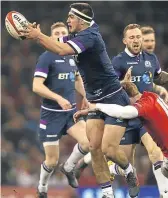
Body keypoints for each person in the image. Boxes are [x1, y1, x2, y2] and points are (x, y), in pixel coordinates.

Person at [21, 3, 139, 198]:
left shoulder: (89, 37)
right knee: (94, 147)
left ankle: (129, 171)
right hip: (95, 99)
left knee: (109, 150)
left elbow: (61, 50)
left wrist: (38, 37)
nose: (67, 20)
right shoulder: (78, 35)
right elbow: (56, 43)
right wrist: (35, 35)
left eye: (71, 17)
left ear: (82, 21)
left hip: (113, 98)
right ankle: (107, 194)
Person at [74, 24, 168, 198]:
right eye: (132, 37)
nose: (136, 40)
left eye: (138, 37)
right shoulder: (117, 61)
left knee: (155, 152)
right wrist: (123, 84)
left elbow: (158, 77)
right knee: (123, 162)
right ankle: (92, 162)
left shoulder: (151, 58)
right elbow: (108, 87)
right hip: (126, 115)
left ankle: (165, 195)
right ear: (125, 41)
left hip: (147, 116)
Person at [74, 81, 168, 194]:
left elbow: (122, 112)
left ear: (127, 98)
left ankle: (167, 196)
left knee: (165, 171)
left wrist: (96, 106)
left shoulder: (143, 107)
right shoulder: (151, 96)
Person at [33, 22, 90, 198]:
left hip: (70, 113)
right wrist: (58, 98)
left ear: (69, 36)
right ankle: (42, 187)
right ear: (51, 37)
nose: (59, 35)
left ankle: (69, 167)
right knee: (51, 162)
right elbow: (36, 86)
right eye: (56, 32)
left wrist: (86, 96)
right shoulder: (46, 57)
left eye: (63, 32)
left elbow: (77, 79)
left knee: (88, 143)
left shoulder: (72, 55)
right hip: (51, 116)